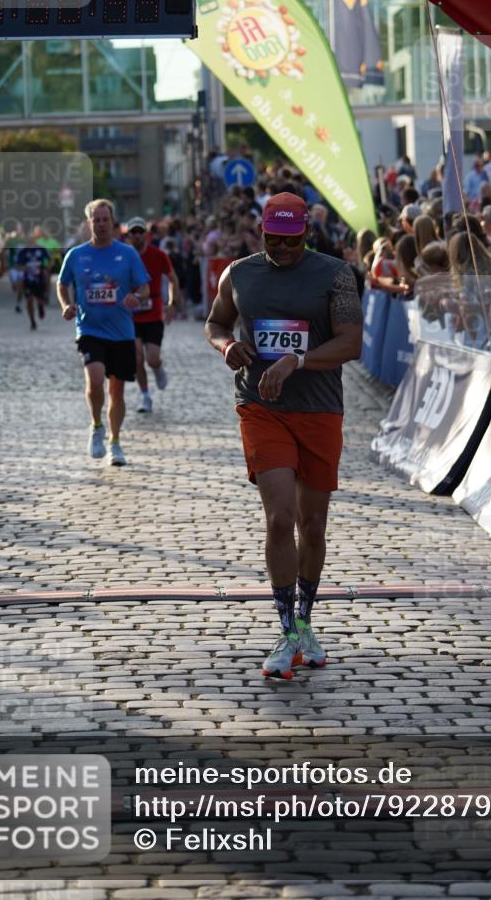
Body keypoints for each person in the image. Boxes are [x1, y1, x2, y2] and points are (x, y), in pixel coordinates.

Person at [205, 192, 363, 680]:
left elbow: (351, 342)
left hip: (318, 409)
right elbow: (215, 321)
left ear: (306, 235)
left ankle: (308, 621)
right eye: (273, 239)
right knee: (280, 518)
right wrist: (227, 344)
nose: (281, 248)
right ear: (261, 232)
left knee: (312, 526)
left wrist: (298, 359)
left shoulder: (335, 274)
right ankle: (287, 628)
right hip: (262, 408)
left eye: (290, 241)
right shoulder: (240, 273)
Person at [57, 199, 150, 466]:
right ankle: (97, 425)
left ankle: (115, 442)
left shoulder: (128, 253)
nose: (100, 224)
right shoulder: (75, 255)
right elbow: (62, 285)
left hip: (121, 331)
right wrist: (66, 305)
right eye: (95, 220)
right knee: (95, 379)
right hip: (89, 328)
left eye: (104, 219)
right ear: (89, 224)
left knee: (117, 391)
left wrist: (135, 296)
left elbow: (143, 287)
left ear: (113, 222)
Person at [126, 216, 178, 413]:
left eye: (140, 232)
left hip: (154, 313)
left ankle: (157, 368)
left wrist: (172, 303)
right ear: (129, 235)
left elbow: (173, 279)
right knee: (137, 357)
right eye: (134, 232)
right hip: (131, 315)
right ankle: (145, 395)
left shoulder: (158, 254)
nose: (137, 236)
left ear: (145, 234)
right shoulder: (124, 255)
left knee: (152, 358)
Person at [15, 232, 51, 330]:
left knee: (40, 299)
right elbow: (17, 265)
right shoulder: (23, 251)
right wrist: (23, 268)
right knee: (29, 300)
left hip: (39, 278)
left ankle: (42, 303)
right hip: (28, 279)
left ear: (35, 240)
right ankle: (32, 321)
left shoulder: (41, 249)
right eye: (29, 241)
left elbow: (49, 260)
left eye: (32, 240)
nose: (31, 242)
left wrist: (46, 268)